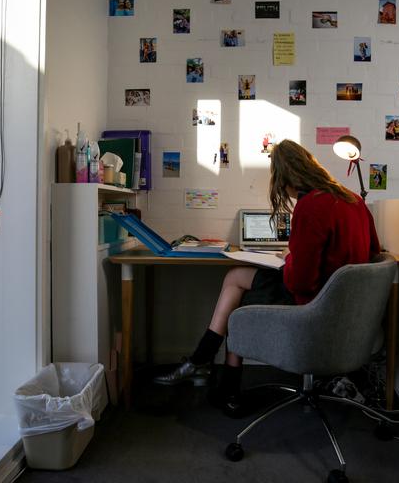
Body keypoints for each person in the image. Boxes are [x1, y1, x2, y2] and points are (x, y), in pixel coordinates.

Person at [154, 140, 381, 413]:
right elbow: (373, 251)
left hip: (314, 304)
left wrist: (288, 257)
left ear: (285, 178)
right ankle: (209, 368)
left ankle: (211, 369)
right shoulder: (354, 200)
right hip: (346, 308)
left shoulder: (312, 206)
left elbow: (300, 282)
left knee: (237, 285)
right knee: (238, 277)